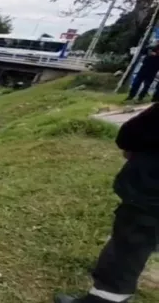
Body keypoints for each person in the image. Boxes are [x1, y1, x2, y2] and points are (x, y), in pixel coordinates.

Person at [54, 103, 159, 303]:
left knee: (130, 243)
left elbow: (130, 134)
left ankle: (108, 297)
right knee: (144, 238)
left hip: (152, 192)